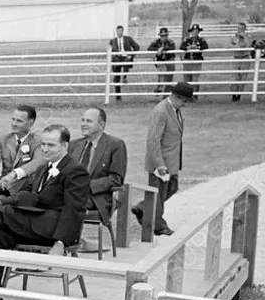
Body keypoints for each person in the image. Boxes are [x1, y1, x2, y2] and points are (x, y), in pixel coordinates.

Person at [0, 124, 90, 300]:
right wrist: (0, 200)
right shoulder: (44, 167)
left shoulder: (75, 170)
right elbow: (28, 194)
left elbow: (74, 211)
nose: (45, 149)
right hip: (35, 224)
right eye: (43, 145)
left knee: (1, 214)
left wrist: (60, 243)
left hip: (55, 228)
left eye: (51, 145)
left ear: (65, 146)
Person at [131, 81, 192, 237]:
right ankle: (158, 226)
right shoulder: (161, 111)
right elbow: (153, 140)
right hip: (161, 163)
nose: (185, 104)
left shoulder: (174, 109)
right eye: (184, 101)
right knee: (158, 193)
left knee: (172, 188)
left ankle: (144, 207)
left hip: (171, 162)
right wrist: (160, 165)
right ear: (176, 97)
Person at [71, 108, 128, 253]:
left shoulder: (115, 145)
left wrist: (86, 186)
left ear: (102, 125)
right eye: (82, 120)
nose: (83, 124)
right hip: (73, 193)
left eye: (89, 121)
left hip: (97, 197)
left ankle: (63, 245)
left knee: (63, 202)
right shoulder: (74, 145)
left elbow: (116, 179)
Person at [0, 104, 41, 196]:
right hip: (3, 185)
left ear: (31, 122)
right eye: (13, 119)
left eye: (19, 121)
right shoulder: (3, 139)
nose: (14, 124)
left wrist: (14, 174)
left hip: (25, 188)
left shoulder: (37, 142)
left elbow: (37, 163)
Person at [109, 25, 140, 102]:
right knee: (116, 79)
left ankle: (124, 77)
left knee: (126, 63)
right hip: (117, 59)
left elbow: (136, 46)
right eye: (118, 31)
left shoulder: (128, 39)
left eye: (121, 31)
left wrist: (131, 55)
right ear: (116, 32)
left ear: (123, 31)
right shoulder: (112, 41)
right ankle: (118, 97)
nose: (119, 32)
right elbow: (109, 50)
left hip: (126, 57)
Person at [180, 23, 209, 98]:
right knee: (187, 79)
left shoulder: (201, 40)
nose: (194, 33)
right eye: (193, 31)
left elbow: (205, 46)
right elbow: (182, 47)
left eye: (196, 31)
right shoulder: (187, 40)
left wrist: (197, 47)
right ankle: (187, 95)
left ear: (198, 32)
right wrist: (188, 47)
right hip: (187, 60)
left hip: (196, 61)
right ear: (191, 32)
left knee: (195, 79)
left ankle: (194, 95)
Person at [149, 27, 177, 95]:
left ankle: (166, 94)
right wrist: (158, 49)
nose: (163, 37)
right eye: (162, 35)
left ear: (167, 35)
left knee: (169, 78)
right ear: (160, 35)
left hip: (169, 60)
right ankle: (160, 89)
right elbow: (149, 48)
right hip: (161, 61)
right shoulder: (156, 41)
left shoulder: (171, 42)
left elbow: (172, 47)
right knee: (161, 77)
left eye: (165, 35)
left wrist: (162, 49)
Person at [229, 22, 252, 102]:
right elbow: (228, 46)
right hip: (236, 58)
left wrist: (244, 38)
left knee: (243, 78)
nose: (240, 30)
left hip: (245, 58)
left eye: (242, 28)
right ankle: (233, 95)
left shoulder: (248, 36)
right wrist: (236, 46)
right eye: (238, 28)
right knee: (235, 78)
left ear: (245, 29)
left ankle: (239, 96)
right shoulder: (234, 37)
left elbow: (248, 45)